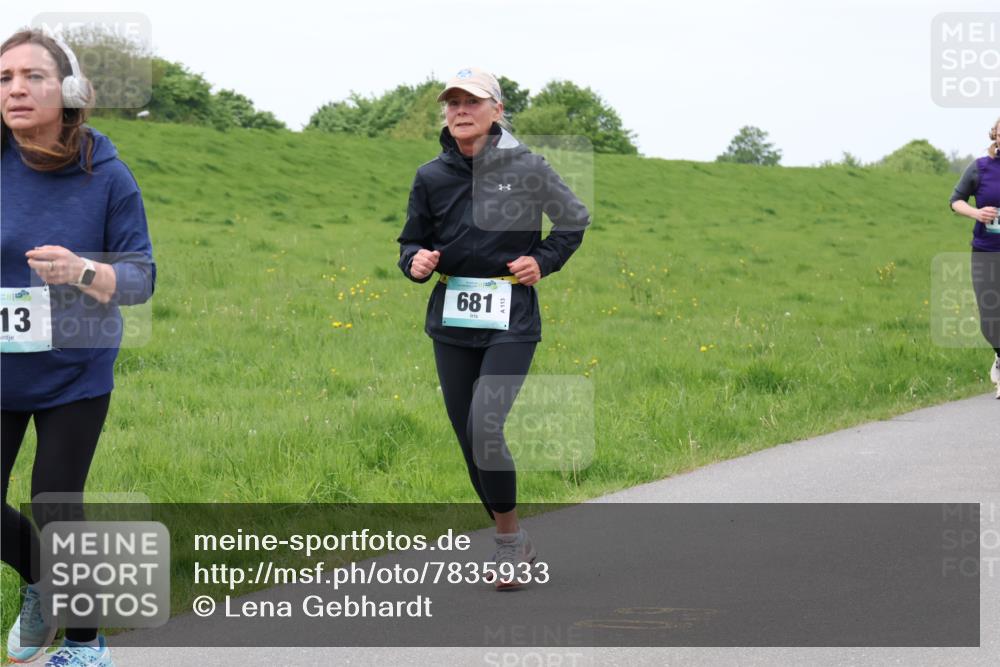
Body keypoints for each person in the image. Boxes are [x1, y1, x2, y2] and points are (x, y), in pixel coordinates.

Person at [396, 67, 589, 589]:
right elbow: (410, 241)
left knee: (486, 425)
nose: (460, 110)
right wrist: (414, 262)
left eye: (471, 101)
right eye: (452, 102)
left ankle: (506, 546)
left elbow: (573, 220)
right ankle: (515, 537)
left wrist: (542, 262)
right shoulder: (431, 175)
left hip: (512, 316)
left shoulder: (529, 167)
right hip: (453, 318)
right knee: (467, 438)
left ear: (496, 111)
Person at [1, 30, 156, 665]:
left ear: (67, 91)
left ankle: (87, 647)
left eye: (32, 76)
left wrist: (84, 271)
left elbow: (142, 278)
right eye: (4, 77)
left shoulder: (107, 174)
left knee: (55, 505)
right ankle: (44, 584)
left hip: (74, 372)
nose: (14, 88)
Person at [950, 117, 1000, 399]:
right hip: (986, 251)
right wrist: (976, 213)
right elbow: (955, 200)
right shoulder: (980, 168)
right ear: (996, 135)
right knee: (990, 315)